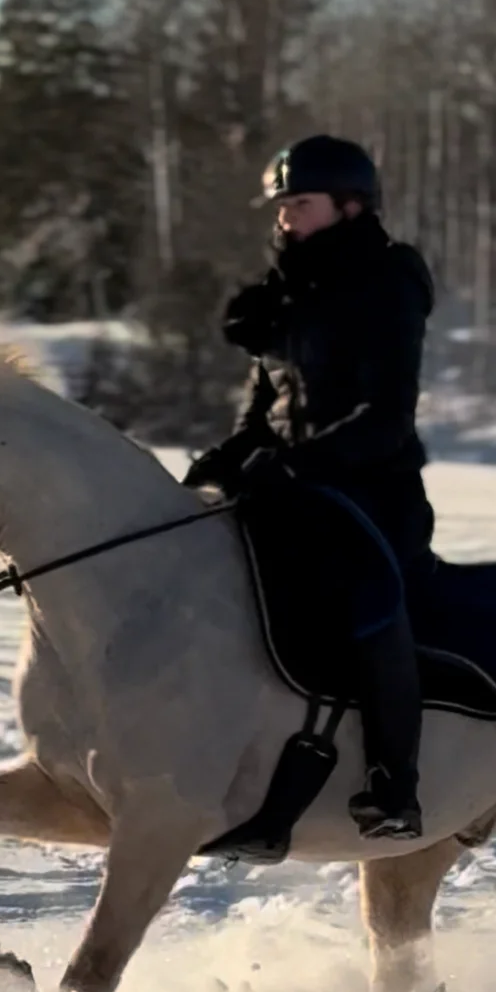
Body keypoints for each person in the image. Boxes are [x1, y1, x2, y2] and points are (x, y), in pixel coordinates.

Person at [184, 134, 434, 839]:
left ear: (350, 206)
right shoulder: (283, 294)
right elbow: (263, 413)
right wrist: (219, 465)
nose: (286, 218)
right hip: (287, 489)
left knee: (364, 599)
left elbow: (385, 414)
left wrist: (301, 464)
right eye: (282, 206)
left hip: (371, 492)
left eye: (302, 204)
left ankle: (394, 783)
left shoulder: (389, 280)